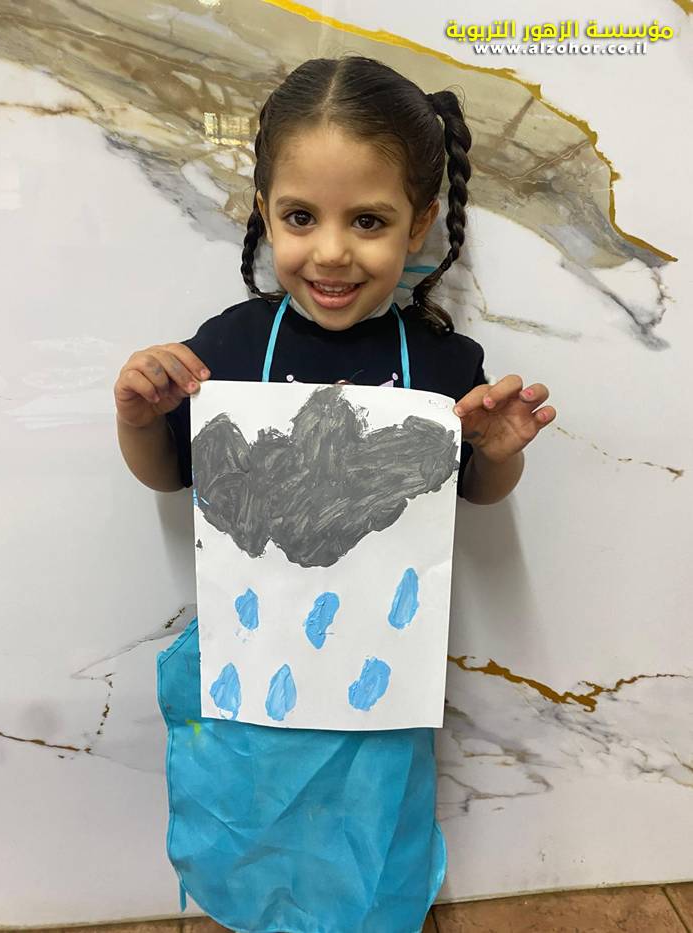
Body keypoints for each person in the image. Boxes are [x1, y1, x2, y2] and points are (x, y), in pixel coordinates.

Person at [114, 55, 555, 933]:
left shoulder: (444, 366)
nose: (330, 251)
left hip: (375, 683)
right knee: (251, 845)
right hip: (248, 671)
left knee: (368, 854)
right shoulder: (226, 348)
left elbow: (476, 495)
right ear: (264, 209)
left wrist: (498, 453)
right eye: (300, 217)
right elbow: (170, 473)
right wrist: (138, 417)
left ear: (418, 223)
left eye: (369, 221)